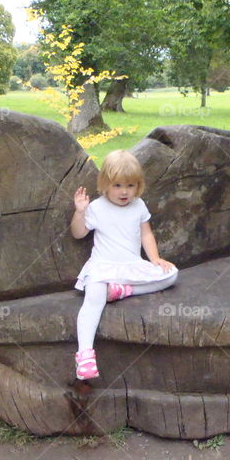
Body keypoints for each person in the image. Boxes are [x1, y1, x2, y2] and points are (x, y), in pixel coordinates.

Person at [70, 150, 177, 380]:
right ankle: (85, 354)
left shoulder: (138, 206)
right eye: (117, 185)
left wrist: (155, 259)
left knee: (172, 275)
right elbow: (79, 234)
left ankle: (123, 291)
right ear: (105, 184)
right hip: (102, 267)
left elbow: (146, 234)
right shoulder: (97, 208)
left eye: (130, 185)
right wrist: (80, 212)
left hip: (130, 266)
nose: (124, 191)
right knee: (93, 299)